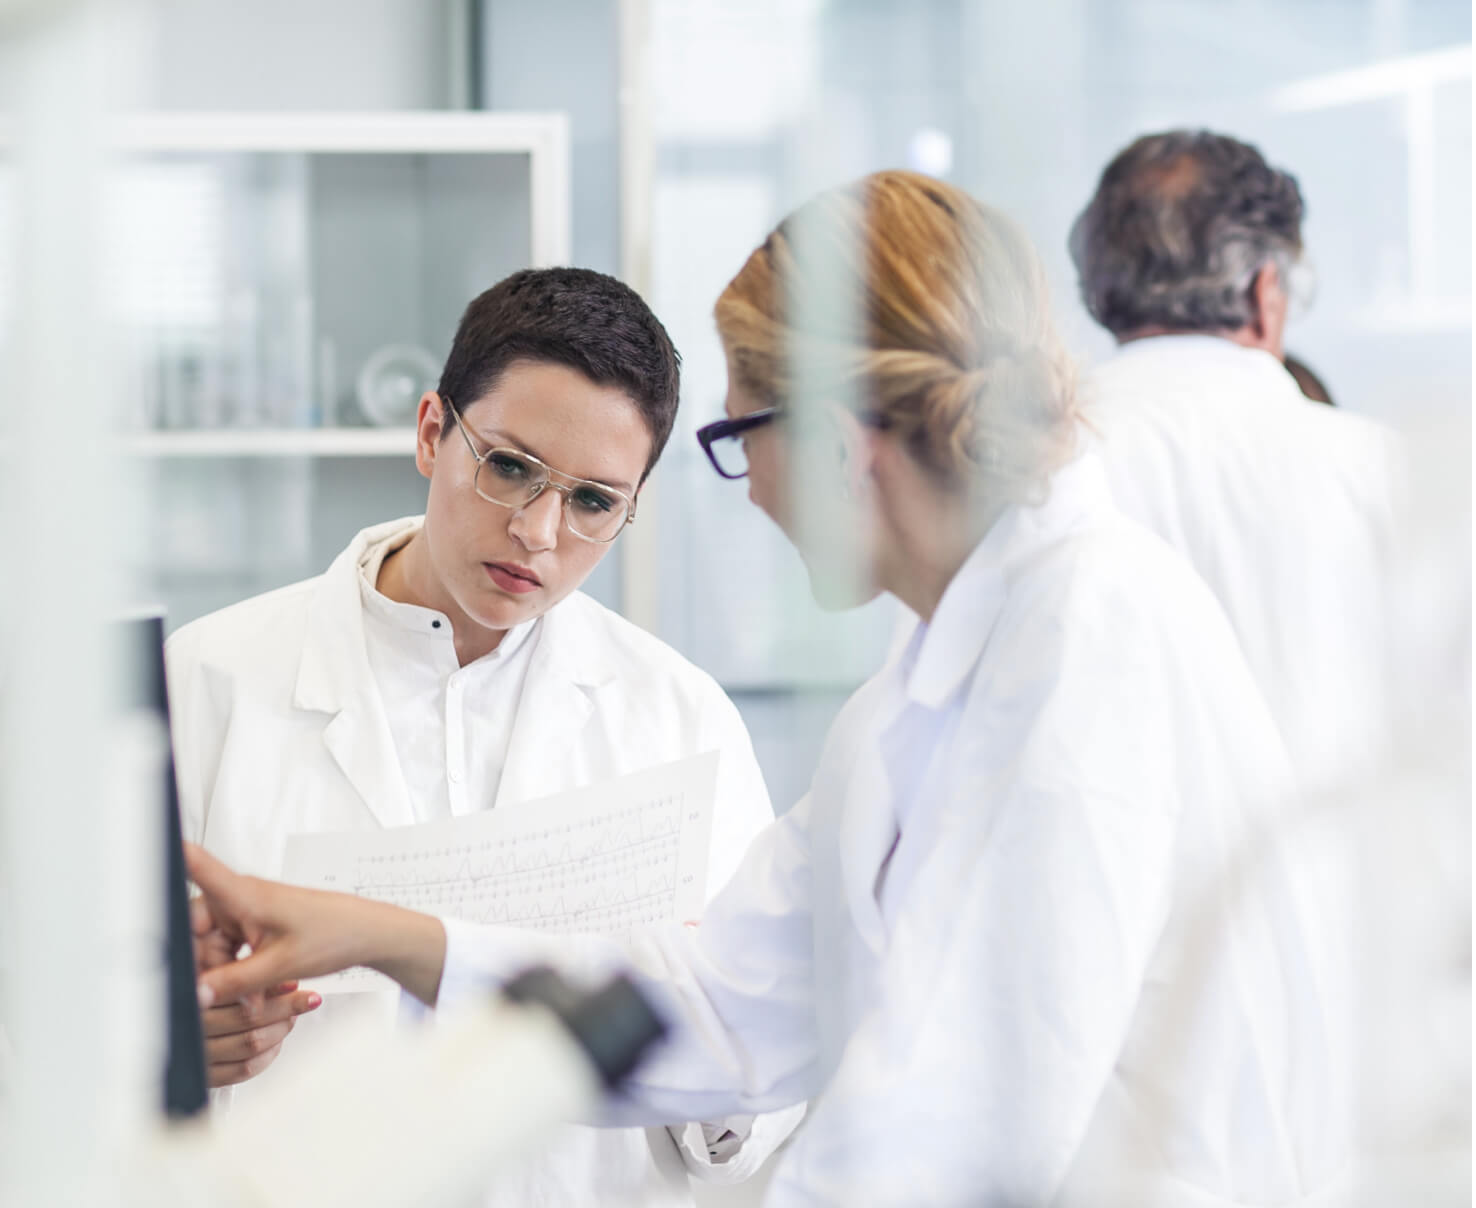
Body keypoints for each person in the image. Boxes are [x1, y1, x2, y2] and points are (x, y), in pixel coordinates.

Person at [188, 171, 1344, 1206]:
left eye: (740, 434)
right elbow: (720, 999)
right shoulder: (926, 685)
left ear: (843, 446)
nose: (746, 494)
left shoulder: (1090, 643)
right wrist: (388, 934)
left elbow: (954, 1126)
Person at [166, 268, 799, 1205]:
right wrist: (181, 1039)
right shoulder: (209, 680)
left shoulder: (680, 717)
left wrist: (700, 1040)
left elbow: (761, 1074)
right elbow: (71, 1018)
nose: (538, 532)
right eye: (510, 467)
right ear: (432, 432)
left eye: (592, 502)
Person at [1068, 129, 1402, 796]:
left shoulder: (1028, 470)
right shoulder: (1380, 472)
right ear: (1265, 290)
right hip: (1347, 891)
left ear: (1100, 290)